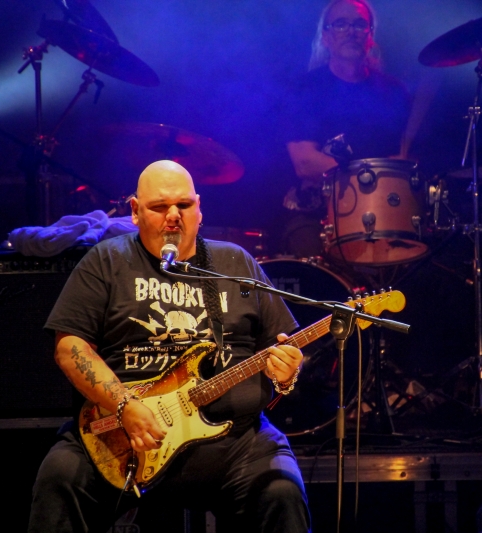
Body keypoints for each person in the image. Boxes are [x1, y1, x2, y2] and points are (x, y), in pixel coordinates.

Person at [28, 160, 311, 533]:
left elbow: (281, 348)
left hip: (235, 439)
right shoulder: (107, 260)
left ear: (199, 208)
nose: (173, 215)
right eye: (160, 207)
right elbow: (70, 347)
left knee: (282, 491)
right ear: (135, 211)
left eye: (184, 205)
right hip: (122, 433)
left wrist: (287, 372)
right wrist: (124, 405)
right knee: (60, 476)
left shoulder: (234, 263)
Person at [277, 0, 411, 258]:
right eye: (340, 24)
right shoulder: (304, 89)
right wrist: (364, 179)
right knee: (314, 266)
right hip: (314, 213)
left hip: (380, 212)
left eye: (359, 24)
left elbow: (400, 159)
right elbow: (304, 162)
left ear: (370, 36)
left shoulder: (393, 92)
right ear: (325, 36)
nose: (351, 31)